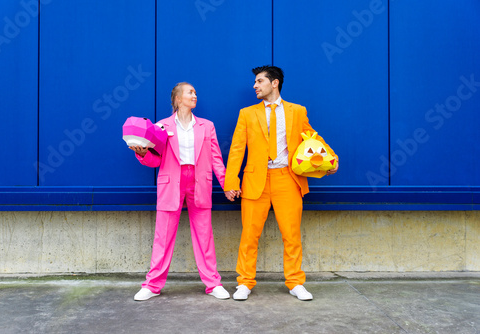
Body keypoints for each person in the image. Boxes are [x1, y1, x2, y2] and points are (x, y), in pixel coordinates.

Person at [223, 65, 339, 301]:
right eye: (255, 82)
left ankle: (295, 282)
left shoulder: (297, 111)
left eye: (259, 81)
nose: (255, 86)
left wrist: (329, 159)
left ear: (274, 83)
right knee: (249, 235)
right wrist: (230, 182)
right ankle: (244, 283)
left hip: (287, 179)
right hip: (256, 180)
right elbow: (237, 150)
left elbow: (312, 138)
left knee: (292, 235)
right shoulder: (246, 113)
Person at [130, 82, 230, 301]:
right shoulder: (162, 126)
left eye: (195, 92)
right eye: (190, 92)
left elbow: (215, 159)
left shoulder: (207, 126)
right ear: (177, 98)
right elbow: (155, 160)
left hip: (199, 182)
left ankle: (213, 283)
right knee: (162, 237)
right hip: (171, 183)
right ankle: (152, 285)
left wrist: (227, 185)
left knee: (205, 236)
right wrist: (142, 153)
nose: (195, 95)